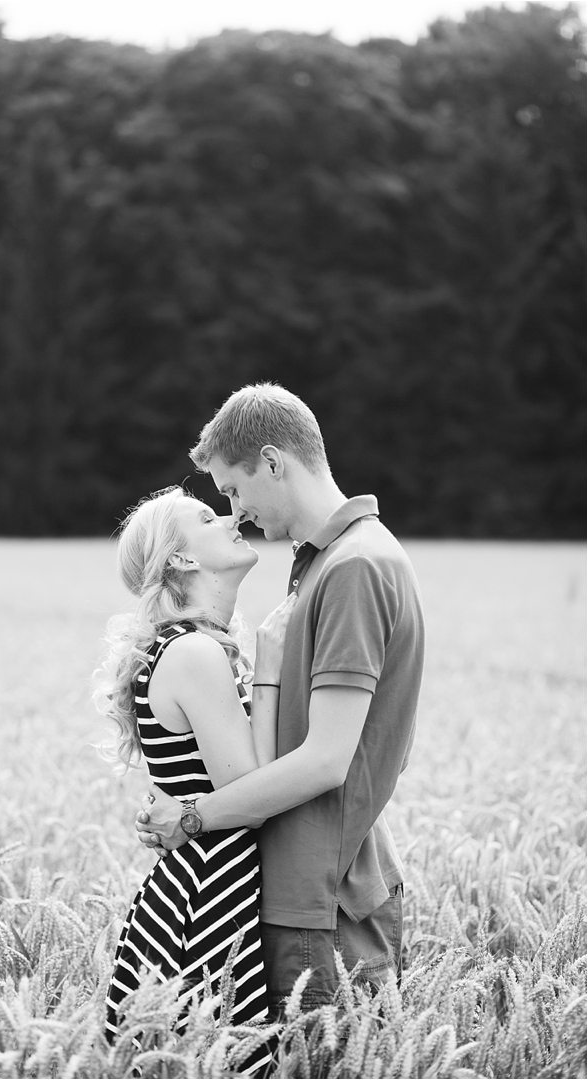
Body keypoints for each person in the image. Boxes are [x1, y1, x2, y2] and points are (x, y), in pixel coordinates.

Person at [136, 384, 425, 1016]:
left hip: (320, 897)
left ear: (273, 462)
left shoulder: (353, 567)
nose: (235, 511)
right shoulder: (326, 562)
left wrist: (192, 816)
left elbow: (327, 760)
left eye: (234, 491)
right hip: (315, 887)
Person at [92, 485, 295, 1056]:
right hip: (209, 893)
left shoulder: (186, 647)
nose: (231, 517)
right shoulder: (193, 654)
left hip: (198, 876)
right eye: (208, 518)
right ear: (181, 559)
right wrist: (271, 669)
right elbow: (249, 790)